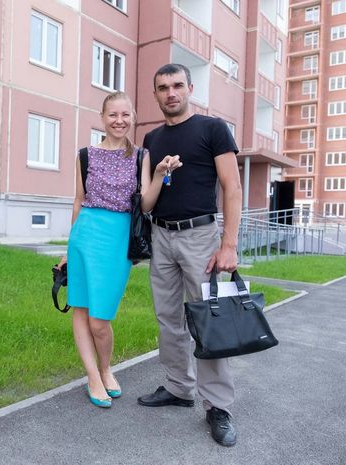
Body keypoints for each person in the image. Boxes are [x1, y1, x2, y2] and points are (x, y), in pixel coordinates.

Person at [136, 63, 242, 447]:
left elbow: (232, 186)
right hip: (162, 235)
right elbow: (148, 198)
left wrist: (228, 244)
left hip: (200, 236)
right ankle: (179, 387)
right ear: (155, 94)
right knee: (168, 318)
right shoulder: (151, 138)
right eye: (163, 87)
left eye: (177, 85)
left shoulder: (213, 129)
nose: (171, 93)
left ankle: (218, 406)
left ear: (190, 88)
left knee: (207, 321)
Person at [55, 91, 138, 408]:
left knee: (100, 320)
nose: (119, 120)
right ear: (102, 117)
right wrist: (69, 247)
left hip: (118, 240)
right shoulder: (85, 155)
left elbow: (145, 202)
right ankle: (93, 376)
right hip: (85, 236)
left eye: (125, 114)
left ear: (132, 117)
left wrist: (160, 175)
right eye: (113, 114)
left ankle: (105, 368)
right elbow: (78, 200)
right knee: (80, 308)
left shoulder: (140, 156)